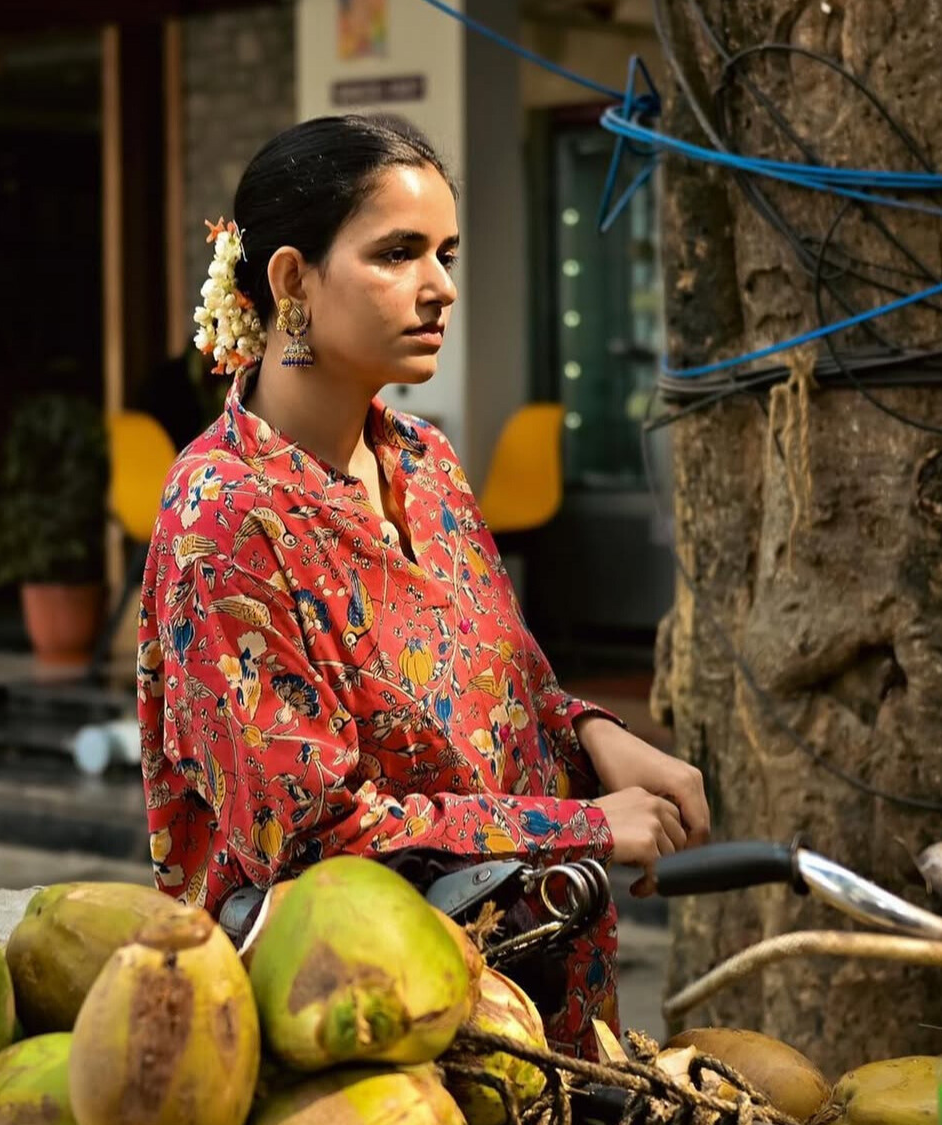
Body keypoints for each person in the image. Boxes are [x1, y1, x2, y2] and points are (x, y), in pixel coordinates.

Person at [137, 113, 709, 1058]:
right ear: (291, 282)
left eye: (444, 253)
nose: (440, 286)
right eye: (397, 253)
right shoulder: (225, 514)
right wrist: (578, 825)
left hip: (538, 988)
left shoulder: (423, 460)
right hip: (369, 1030)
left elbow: (508, 685)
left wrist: (593, 735)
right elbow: (308, 839)